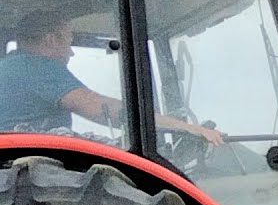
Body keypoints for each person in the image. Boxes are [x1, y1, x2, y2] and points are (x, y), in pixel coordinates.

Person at [0, 10, 222, 144]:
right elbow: (101, 108)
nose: (71, 52)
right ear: (50, 40)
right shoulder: (35, 67)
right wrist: (186, 128)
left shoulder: (9, 68)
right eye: (68, 42)